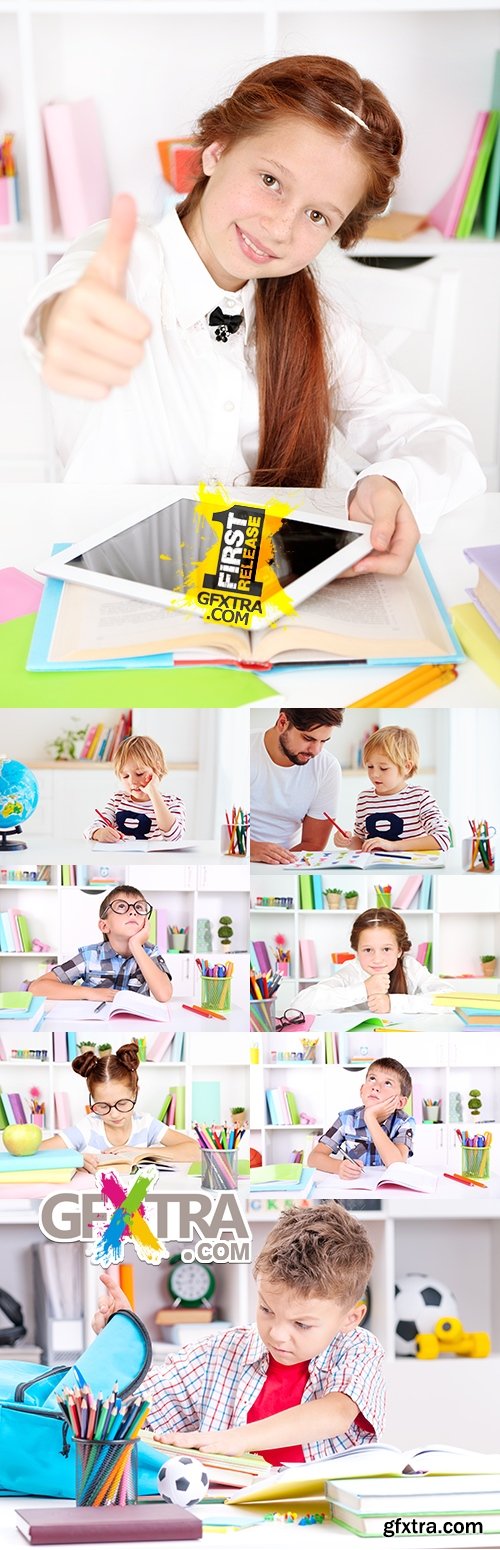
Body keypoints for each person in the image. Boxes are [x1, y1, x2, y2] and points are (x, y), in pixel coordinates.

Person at [23, 56, 484, 575]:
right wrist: (68, 325)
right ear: (217, 151)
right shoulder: (127, 259)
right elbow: (70, 302)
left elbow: (437, 437)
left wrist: (395, 483)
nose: (281, 227)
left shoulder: (310, 320)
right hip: (124, 592)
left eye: (317, 215)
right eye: (270, 180)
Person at [92, 1201, 385, 1462]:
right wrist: (119, 1346)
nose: (278, 1334)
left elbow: (337, 1413)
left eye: (302, 1324)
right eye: (267, 1310)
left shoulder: (357, 1347)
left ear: (351, 1318)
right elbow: (129, 1415)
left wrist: (235, 1439)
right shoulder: (217, 1354)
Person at [38, 1040, 198, 1175]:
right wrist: (74, 1159)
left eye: (122, 1103)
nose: (114, 1114)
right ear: (93, 1099)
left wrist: (142, 1153)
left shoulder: (146, 1125)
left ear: (135, 1093)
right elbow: (36, 1152)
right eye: (103, 1106)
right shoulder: (87, 1128)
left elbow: (196, 1150)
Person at [26, 884, 173, 1003]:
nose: (133, 912)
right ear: (104, 926)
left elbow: (164, 995)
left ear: (145, 923)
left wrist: (135, 945)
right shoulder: (90, 956)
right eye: (121, 906)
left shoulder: (150, 952)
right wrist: (91, 993)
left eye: (139, 907)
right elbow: (37, 988)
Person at [291, 907, 442, 1016]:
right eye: (368, 950)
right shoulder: (351, 971)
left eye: (386, 949)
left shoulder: (409, 966)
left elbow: (448, 998)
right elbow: (298, 1007)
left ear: (399, 951)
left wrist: (393, 1003)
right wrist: (364, 989)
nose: (377, 959)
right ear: (357, 951)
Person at [334, 726, 450, 853]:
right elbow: (362, 842)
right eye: (370, 766)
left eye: (383, 768)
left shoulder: (420, 797)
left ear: (407, 767)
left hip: (409, 868)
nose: (374, 774)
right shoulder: (364, 799)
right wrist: (349, 841)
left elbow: (442, 839)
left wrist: (393, 845)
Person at [251, 707, 344, 863]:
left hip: (287, 862)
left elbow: (313, 844)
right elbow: (221, 824)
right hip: (236, 854)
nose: (315, 751)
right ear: (282, 723)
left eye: (323, 741)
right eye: (308, 738)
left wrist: (277, 863)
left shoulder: (327, 767)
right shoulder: (240, 749)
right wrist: (251, 849)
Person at [308, 1057, 414, 1180]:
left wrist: (370, 1118)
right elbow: (313, 1158)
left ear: (400, 1103)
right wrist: (339, 1167)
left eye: (387, 1083)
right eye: (372, 1079)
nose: (376, 1087)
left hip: (387, 1189)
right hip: (355, 1187)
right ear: (362, 1090)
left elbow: (397, 1165)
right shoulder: (347, 1119)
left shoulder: (404, 1123)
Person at [86, 733, 186, 844]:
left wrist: (153, 791)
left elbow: (174, 837)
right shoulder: (118, 799)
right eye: (125, 776)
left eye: (139, 773)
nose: (132, 781)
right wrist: (100, 833)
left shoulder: (172, 802)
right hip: (121, 860)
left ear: (157, 769)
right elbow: (89, 830)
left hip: (153, 861)